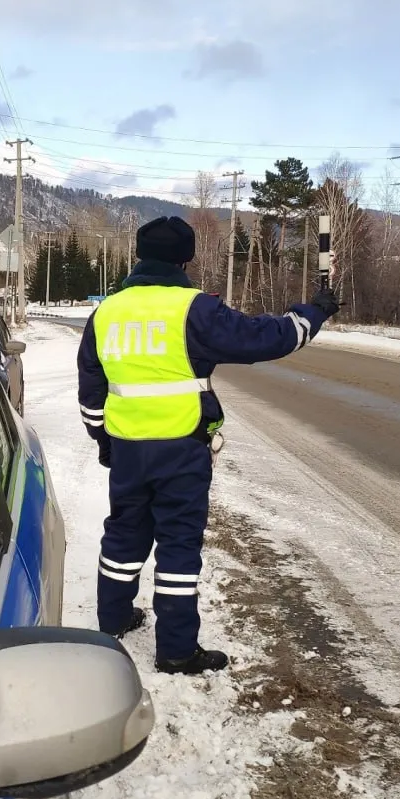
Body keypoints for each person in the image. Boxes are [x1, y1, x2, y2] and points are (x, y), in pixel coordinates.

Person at [77, 216, 340, 675]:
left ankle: (114, 618)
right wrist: (313, 312)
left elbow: (91, 390)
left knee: (124, 532)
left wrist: (103, 440)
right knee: (178, 543)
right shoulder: (195, 310)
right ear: (186, 257)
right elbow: (266, 337)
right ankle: (176, 650)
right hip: (181, 449)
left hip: (129, 451)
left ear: (140, 255)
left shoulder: (106, 312)